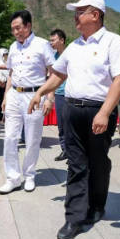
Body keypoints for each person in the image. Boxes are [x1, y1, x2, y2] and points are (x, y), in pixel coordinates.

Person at [29, 0, 120, 239]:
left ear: (95, 15)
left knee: (97, 162)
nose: (75, 17)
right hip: (73, 110)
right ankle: (74, 218)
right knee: (76, 164)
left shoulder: (114, 43)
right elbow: (58, 74)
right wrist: (41, 92)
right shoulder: (74, 47)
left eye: (80, 12)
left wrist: (105, 112)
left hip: (98, 111)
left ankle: (97, 206)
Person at [0, 10, 55, 195]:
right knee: (10, 137)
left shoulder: (42, 45)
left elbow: (54, 73)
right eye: (13, 29)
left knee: (31, 138)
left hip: (34, 96)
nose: (15, 32)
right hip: (14, 94)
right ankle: (12, 178)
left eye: (18, 28)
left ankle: (29, 175)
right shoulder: (13, 47)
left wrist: (49, 97)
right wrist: (6, 96)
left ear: (28, 26)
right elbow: (11, 74)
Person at [50, 29, 68, 161]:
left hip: (71, 95)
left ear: (61, 40)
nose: (51, 42)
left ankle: (74, 151)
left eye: (53, 40)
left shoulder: (71, 54)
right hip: (59, 94)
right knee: (61, 125)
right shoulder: (53, 57)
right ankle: (64, 150)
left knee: (71, 125)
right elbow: (51, 76)